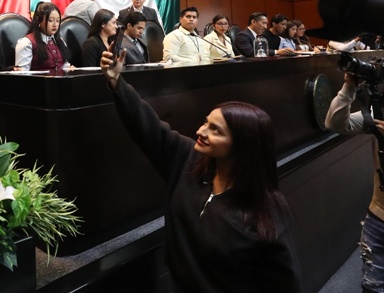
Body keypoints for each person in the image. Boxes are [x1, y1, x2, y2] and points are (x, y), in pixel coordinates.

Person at [99, 48, 301, 292]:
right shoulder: (189, 160)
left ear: (242, 144)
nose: (200, 131)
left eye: (215, 130)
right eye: (206, 122)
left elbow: (285, 284)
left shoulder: (266, 209)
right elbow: (148, 127)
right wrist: (117, 82)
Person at [325, 72, 384, 292]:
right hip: (378, 220)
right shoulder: (380, 115)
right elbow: (336, 123)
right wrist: (349, 87)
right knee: (372, 288)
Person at [15, 2, 72, 71]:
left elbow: (64, 65)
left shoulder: (59, 40)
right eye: (50, 20)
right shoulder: (26, 42)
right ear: (39, 20)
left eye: (58, 21)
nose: (55, 25)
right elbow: (23, 72)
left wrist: (69, 68)